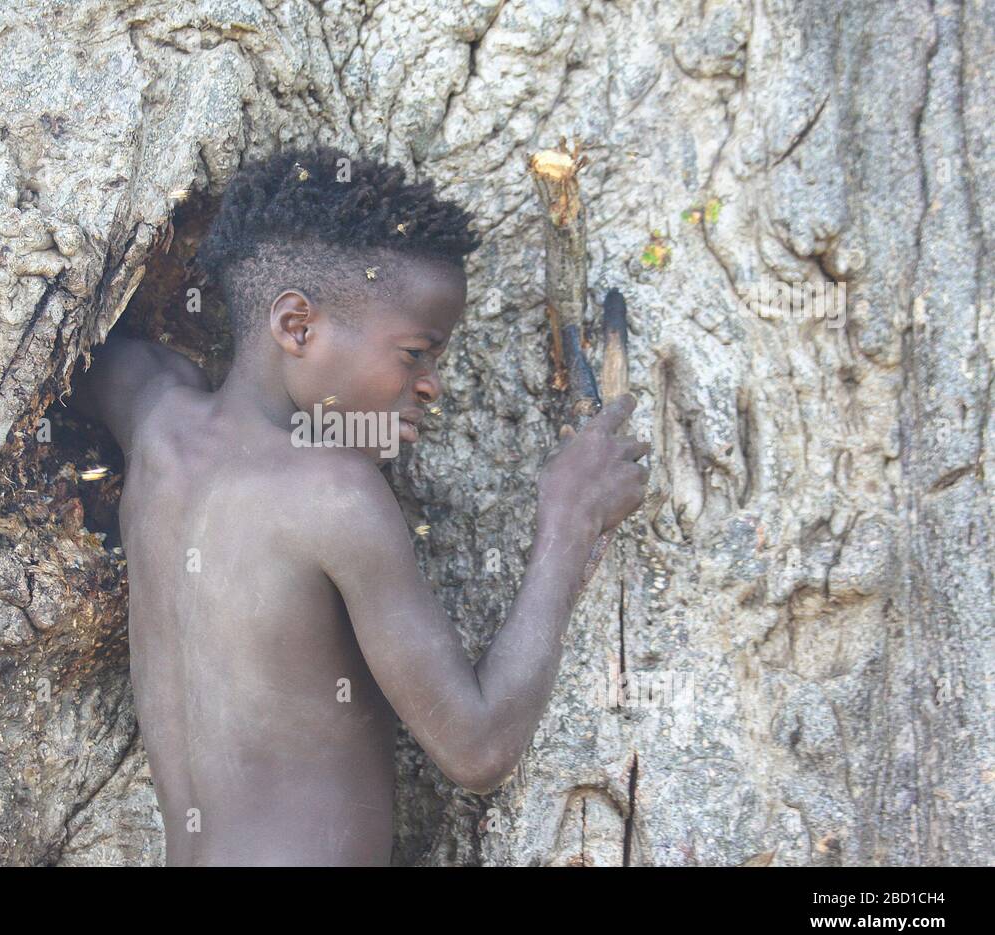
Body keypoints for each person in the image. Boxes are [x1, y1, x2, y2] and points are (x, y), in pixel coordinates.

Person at [68, 145, 649, 865]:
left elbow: (87, 354)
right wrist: (570, 519)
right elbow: (478, 747)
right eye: (415, 354)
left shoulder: (156, 420)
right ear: (297, 327)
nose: (432, 386)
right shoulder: (336, 494)